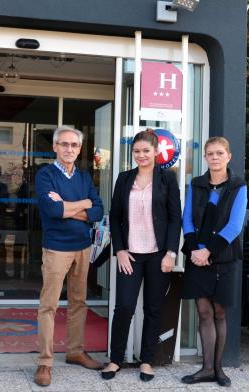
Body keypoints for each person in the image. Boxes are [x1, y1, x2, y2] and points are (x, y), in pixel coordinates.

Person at [101, 129, 181, 382]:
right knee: (124, 307)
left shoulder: (168, 179)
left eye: (146, 150)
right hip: (130, 255)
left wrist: (170, 252)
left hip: (158, 255)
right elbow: (114, 216)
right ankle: (115, 359)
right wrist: (120, 250)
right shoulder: (124, 179)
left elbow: (174, 217)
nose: (141, 155)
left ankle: (147, 360)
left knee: (153, 309)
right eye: (136, 151)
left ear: (156, 152)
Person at [33, 126, 105, 387]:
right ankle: (45, 362)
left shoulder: (85, 177)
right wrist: (81, 205)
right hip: (56, 248)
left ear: (79, 148)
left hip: (83, 247)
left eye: (74, 145)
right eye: (64, 144)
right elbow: (52, 210)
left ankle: (75, 351)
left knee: (78, 302)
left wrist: (70, 206)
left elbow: (98, 210)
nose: (69, 149)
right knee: (49, 305)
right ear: (54, 147)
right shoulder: (45, 175)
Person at [180, 136, 247, 388]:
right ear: (205, 157)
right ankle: (206, 368)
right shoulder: (195, 184)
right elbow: (187, 219)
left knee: (219, 312)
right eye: (210, 153)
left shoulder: (238, 186)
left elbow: (234, 226)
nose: (215, 157)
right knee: (204, 312)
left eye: (220, 153)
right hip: (197, 256)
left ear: (228, 156)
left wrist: (208, 251)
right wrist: (197, 251)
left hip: (224, 258)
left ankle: (218, 369)